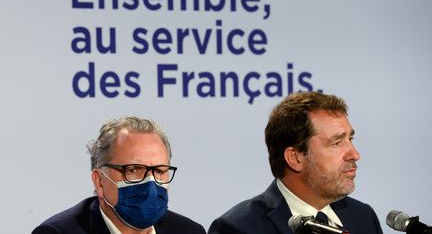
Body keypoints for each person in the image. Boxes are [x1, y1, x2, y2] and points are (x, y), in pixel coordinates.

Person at [208, 92, 383, 234]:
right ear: (295, 158)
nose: (355, 154)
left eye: (350, 139)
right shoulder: (238, 228)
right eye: (337, 143)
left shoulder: (364, 217)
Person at [32, 116, 206, 234]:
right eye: (133, 170)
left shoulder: (189, 231)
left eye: (159, 171)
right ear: (99, 181)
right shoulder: (58, 232)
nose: (150, 183)